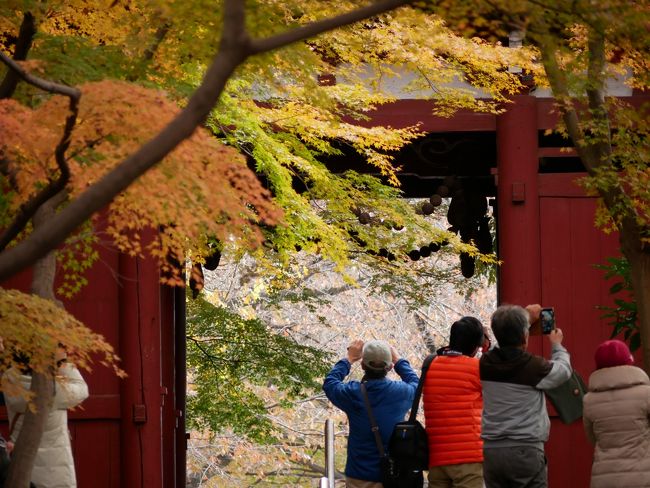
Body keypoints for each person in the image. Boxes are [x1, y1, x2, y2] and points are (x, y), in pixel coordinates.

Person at [480, 304, 572, 488]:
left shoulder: (486, 363)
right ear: (524, 336)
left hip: (492, 451)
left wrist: (525, 319)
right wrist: (557, 345)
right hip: (525, 448)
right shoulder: (533, 367)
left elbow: (503, 339)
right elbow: (564, 371)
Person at [323, 339, 419, 487]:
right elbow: (416, 384)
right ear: (389, 367)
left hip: (359, 477)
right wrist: (399, 361)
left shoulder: (353, 393)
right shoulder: (402, 393)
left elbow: (330, 384)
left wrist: (349, 359)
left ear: (362, 365)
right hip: (392, 477)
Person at [2, 346, 89, 488]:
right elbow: (82, 390)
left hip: (23, 463)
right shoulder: (50, 387)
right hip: (57, 466)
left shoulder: (10, 378)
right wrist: (63, 363)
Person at [423, 316, 485, 487]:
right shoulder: (476, 367)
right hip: (469, 457)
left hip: (436, 457)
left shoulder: (429, 366)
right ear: (476, 345)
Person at [583, 339, 650, 488]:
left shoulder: (589, 400)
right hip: (642, 477)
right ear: (628, 362)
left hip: (604, 479)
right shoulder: (646, 394)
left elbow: (592, 438)